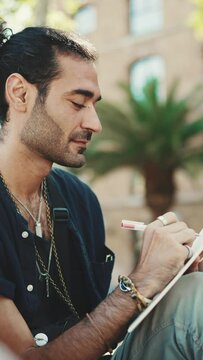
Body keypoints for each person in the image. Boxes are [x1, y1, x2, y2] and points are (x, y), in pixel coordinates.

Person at [0, 19, 202, 360]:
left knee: (193, 292)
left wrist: (167, 278)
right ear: (20, 93)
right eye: (78, 103)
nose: (95, 123)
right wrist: (138, 283)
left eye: (95, 105)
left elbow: (105, 332)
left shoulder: (80, 199)